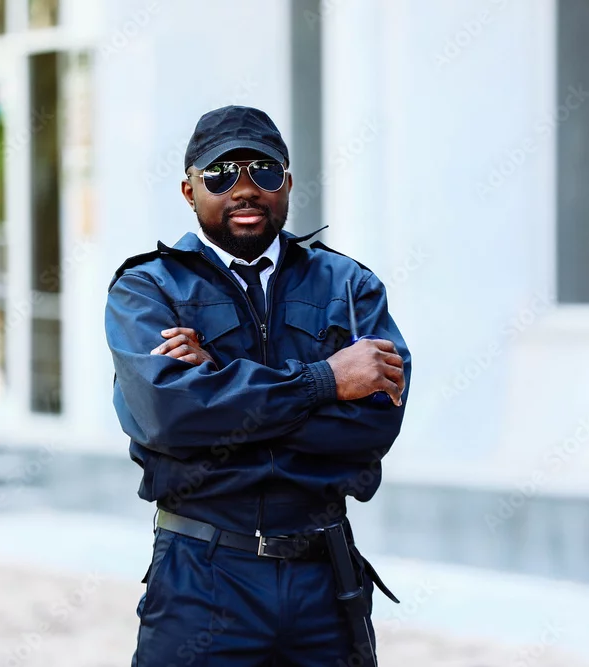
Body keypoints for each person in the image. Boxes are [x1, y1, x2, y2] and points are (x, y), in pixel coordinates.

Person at [105, 104, 412, 666]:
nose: (245, 188)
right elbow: (168, 415)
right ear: (189, 190)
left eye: (264, 171)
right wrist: (327, 381)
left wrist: (216, 385)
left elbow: (371, 427)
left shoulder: (349, 285)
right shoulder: (149, 289)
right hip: (202, 577)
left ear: (287, 183)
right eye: (222, 174)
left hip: (324, 582)